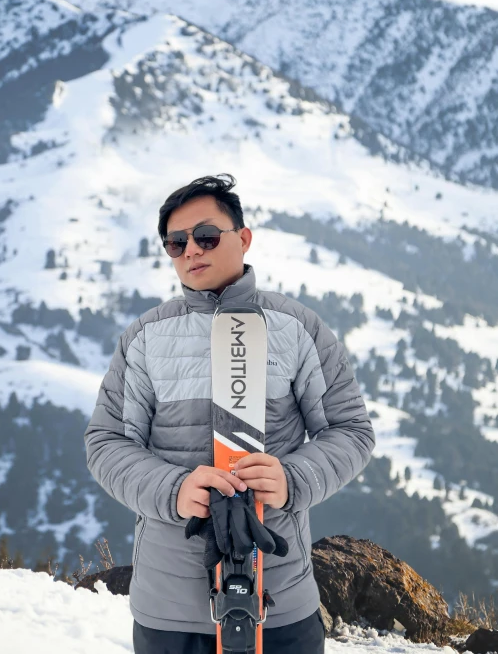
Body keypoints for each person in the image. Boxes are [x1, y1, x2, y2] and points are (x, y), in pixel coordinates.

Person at [84, 173, 376, 654]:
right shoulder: (145, 338)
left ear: (243, 238)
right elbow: (106, 443)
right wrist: (174, 489)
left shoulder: (297, 328)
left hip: (280, 600)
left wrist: (293, 478)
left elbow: (350, 430)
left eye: (205, 236)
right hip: (168, 608)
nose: (191, 251)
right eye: (176, 243)